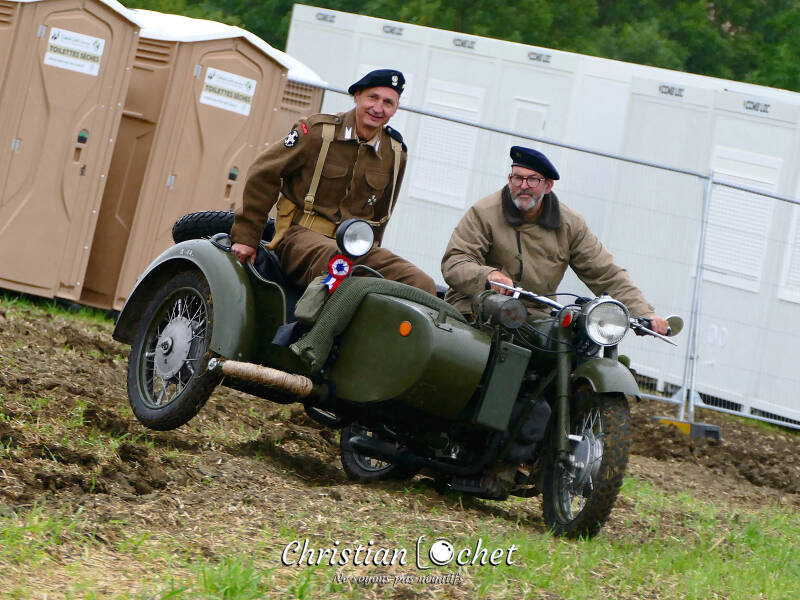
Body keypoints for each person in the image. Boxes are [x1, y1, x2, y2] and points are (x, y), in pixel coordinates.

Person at [230, 69, 436, 295]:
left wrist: (370, 251)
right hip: (299, 236)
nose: (378, 108)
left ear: (396, 109)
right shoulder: (318, 133)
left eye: (388, 102)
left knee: (420, 284)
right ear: (357, 96)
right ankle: (309, 320)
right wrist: (248, 236)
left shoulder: (394, 153)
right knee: (338, 267)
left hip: (355, 248)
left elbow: (380, 216)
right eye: (373, 98)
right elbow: (263, 172)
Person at [441, 146, 669, 334]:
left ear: (548, 185)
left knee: (572, 345)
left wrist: (644, 313)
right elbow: (455, 262)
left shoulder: (570, 224)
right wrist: (488, 276)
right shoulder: (485, 212)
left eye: (533, 180)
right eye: (517, 178)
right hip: (477, 306)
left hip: (534, 317)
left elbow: (605, 273)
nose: (523, 186)